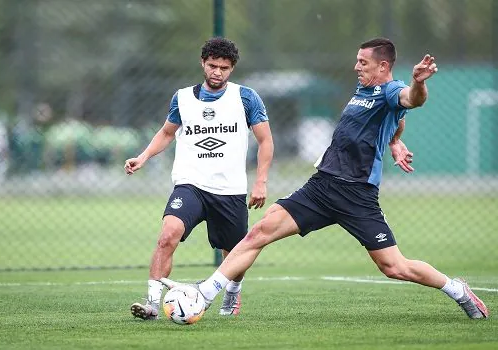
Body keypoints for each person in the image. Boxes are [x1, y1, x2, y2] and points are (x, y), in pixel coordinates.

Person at [161, 37, 489, 320]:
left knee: (394, 267)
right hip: (320, 187)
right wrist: (394, 140)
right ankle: (206, 294)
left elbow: (410, 102)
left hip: (356, 196)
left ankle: (456, 289)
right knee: (259, 232)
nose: (356, 66)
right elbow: (396, 121)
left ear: (383, 66)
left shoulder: (392, 90)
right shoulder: (364, 90)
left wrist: (418, 83)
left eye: (363, 62)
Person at [124, 37, 274, 320]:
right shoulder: (182, 97)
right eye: (212, 66)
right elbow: (167, 133)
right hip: (190, 184)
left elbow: (265, 141)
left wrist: (261, 181)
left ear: (232, 68)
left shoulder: (246, 97)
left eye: (224, 68)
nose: (217, 72)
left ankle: (233, 290)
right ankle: (153, 304)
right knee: (168, 234)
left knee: (236, 255)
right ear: (203, 64)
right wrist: (142, 157)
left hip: (230, 190)